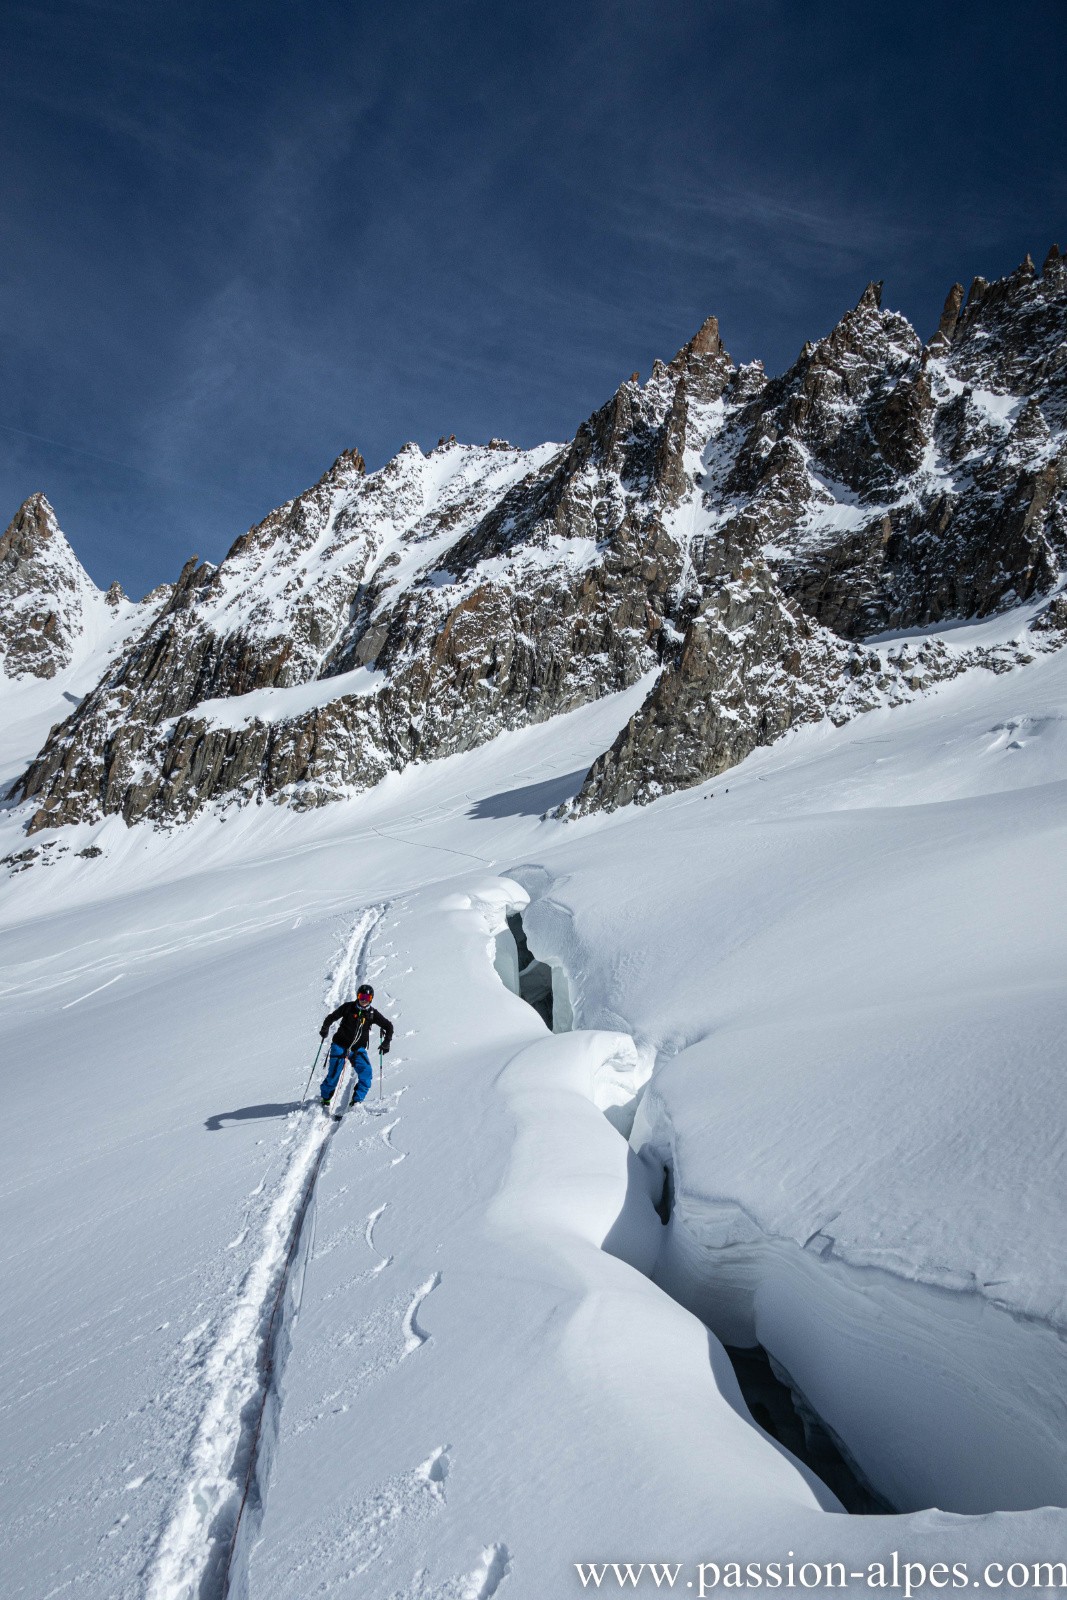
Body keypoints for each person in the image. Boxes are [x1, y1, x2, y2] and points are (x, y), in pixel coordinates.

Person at [319, 984, 394, 1109]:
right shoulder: (348, 1007)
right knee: (333, 1076)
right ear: (357, 996)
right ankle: (325, 1098)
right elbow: (331, 1017)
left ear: (371, 998)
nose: (363, 1000)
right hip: (339, 1045)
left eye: (367, 997)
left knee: (367, 1073)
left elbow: (388, 1026)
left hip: (358, 1049)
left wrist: (387, 1042)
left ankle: (356, 1102)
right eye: (361, 996)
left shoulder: (372, 1014)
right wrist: (325, 1028)